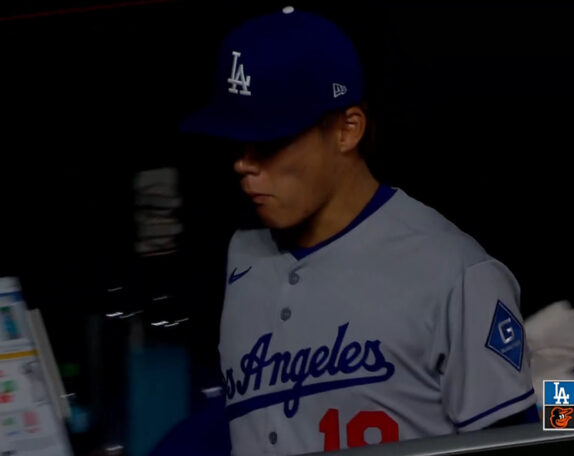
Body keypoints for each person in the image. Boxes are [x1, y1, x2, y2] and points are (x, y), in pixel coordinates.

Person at [181, 6, 537, 455]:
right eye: (237, 139)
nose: (243, 163)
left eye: (269, 139)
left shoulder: (455, 271)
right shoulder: (240, 255)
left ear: (347, 130)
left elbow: (516, 437)